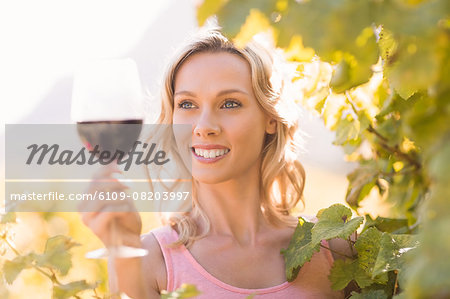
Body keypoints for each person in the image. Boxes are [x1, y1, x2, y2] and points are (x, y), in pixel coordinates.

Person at [81, 29, 345, 299]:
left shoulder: (335, 247)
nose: (204, 126)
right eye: (187, 104)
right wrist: (123, 250)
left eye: (229, 103)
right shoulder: (151, 261)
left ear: (270, 118)